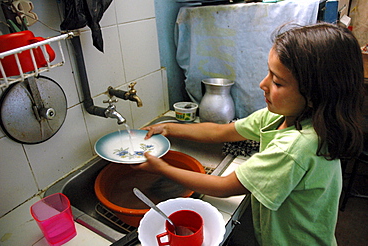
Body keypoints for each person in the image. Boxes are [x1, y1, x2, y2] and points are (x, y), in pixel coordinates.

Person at [132, 23, 365, 245]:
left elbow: (223, 187)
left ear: (315, 94)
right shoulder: (281, 117)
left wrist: (162, 168)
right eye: (269, 74)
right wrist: (170, 128)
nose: (263, 84)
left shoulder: (295, 148)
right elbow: (221, 131)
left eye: (277, 82)